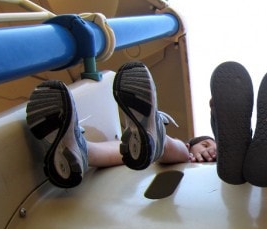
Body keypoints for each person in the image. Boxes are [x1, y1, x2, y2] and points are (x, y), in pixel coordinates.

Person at [26, 61, 214, 188]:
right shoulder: (186, 153)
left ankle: (153, 139)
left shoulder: (217, 172)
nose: (212, 151)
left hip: (174, 179)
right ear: (192, 145)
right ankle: (80, 151)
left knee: (135, 148)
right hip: (167, 160)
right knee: (131, 149)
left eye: (217, 150)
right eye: (206, 145)